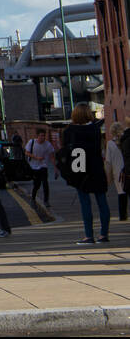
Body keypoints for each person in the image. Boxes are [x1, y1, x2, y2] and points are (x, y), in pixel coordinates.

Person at [63, 103, 109, 244]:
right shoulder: (95, 129)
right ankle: (103, 234)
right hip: (97, 168)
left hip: (80, 169)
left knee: (85, 203)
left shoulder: (69, 131)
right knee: (102, 202)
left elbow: (67, 151)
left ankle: (89, 236)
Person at [25, 129, 55, 209]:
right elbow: (27, 153)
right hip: (34, 166)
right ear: (37, 136)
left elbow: (52, 157)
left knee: (45, 183)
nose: (43, 137)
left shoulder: (47, 144)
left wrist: (56, 169)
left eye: (44, 135)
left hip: (43, 166)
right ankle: (33, 199)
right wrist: (36, 158)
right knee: (36, 184)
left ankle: (46, 201)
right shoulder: (31, 142)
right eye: (41, 135)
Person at [107, 123, 127, 223]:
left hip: (117, 172)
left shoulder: (110, 144)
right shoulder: (126, 141)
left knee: (121, 193)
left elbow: (108, 161)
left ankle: (123, 215)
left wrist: (108, 176)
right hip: (127, 169)